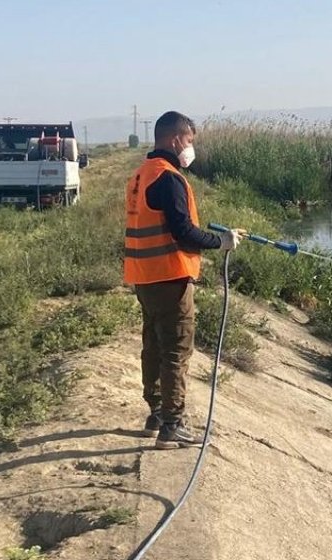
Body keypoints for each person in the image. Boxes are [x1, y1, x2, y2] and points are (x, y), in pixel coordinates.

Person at [124, 111, 242, 450]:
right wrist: (221, 241)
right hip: (169, 277)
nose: (190, 148)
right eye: (189, 141)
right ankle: (172, 424)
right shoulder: (169, 178)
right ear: (176, 139)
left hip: (143, 276)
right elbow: (184, 232)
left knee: (154, 345)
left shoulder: (140, 174)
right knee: (176, 349)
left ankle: (156, 413)